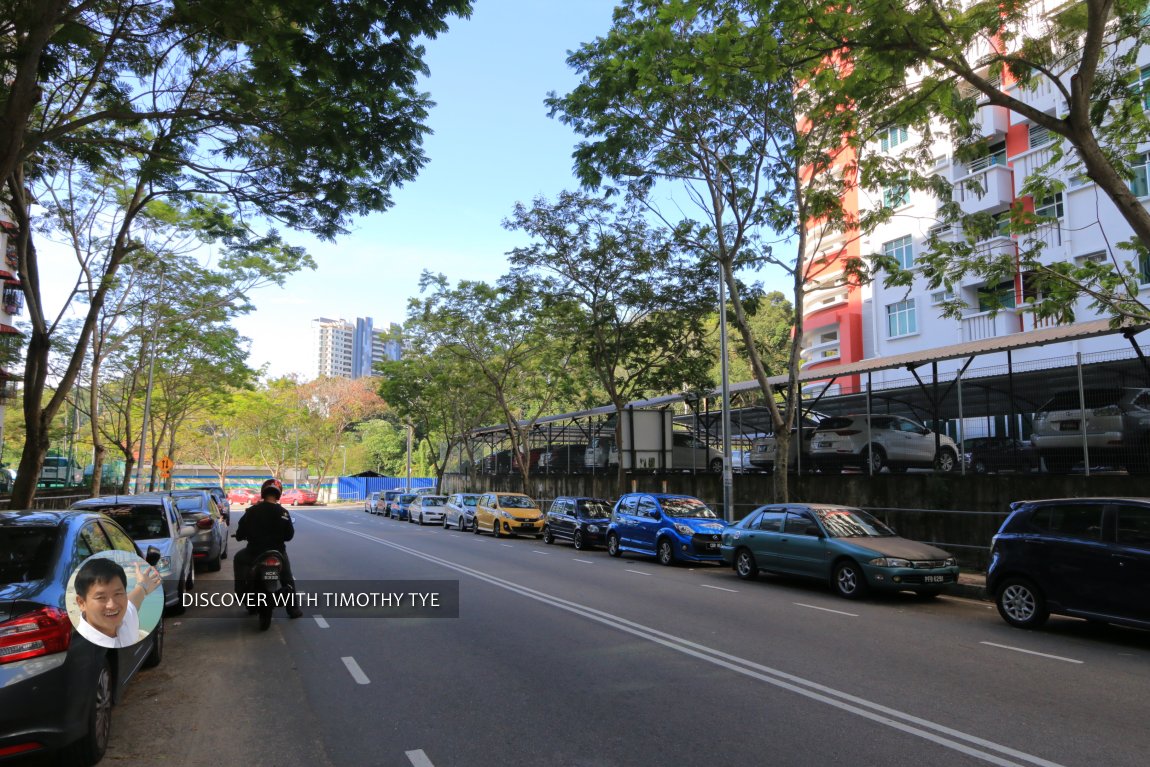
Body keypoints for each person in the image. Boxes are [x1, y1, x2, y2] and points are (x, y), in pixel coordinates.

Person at [233, 479, 302, 619]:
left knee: (238, 559)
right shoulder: (284, 513)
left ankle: (241, 593)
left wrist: (240, 536)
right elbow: (289, 536)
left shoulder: (251, 511)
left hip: (254, 553)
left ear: (263, 493)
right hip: (278, 553)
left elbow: (240, 532)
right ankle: (293, 609)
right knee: (287, 578)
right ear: (278, 495)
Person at [73, 557, 162, 648]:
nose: (112, 605)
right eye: (101, 597)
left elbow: (134, 600)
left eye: (118, 594)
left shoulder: (125, 617)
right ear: (81, 603)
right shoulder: (82, 650)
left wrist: (143, 586)